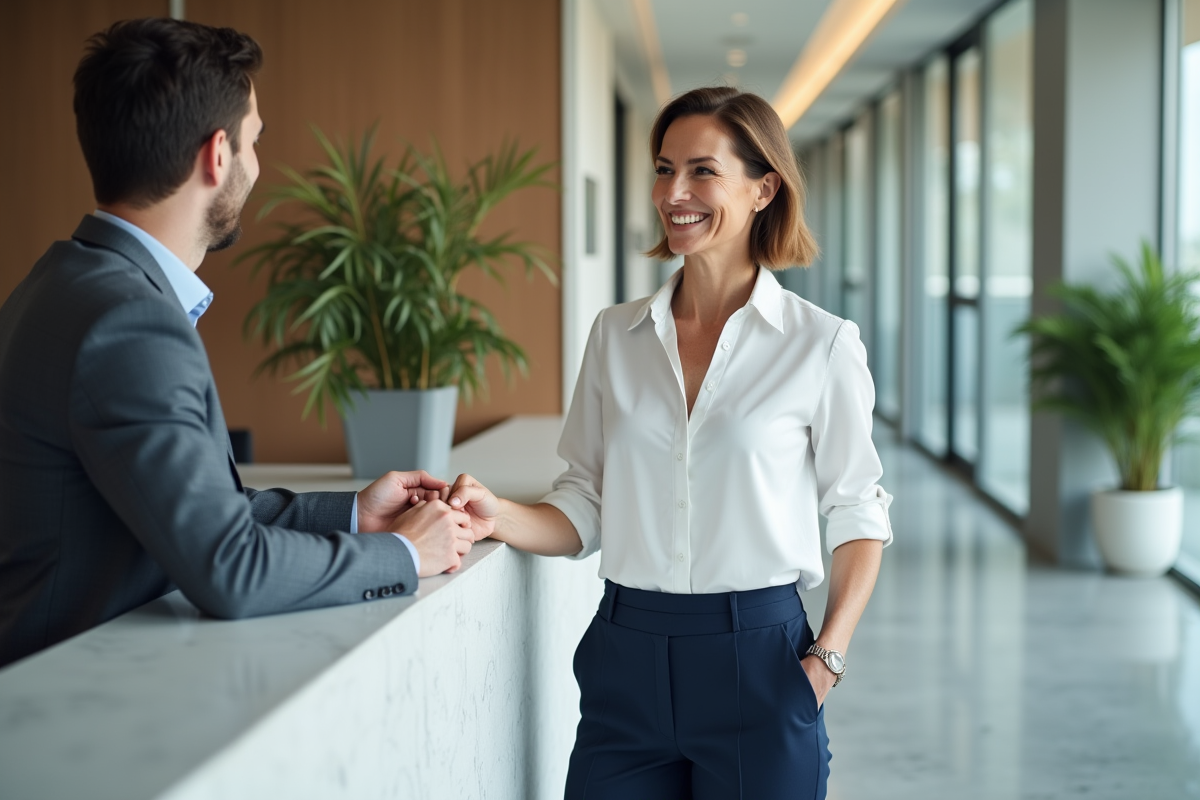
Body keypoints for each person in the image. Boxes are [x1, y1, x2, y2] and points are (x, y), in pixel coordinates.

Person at [447, 87, 893, 799]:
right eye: (663, 169)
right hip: (625, 657)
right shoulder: (615, 335)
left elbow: (857, 511)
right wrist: (494, 514)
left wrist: (826, 660)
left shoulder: (821, 344)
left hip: (760, 659)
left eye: (702, 171)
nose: (673, 192)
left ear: (764, 189)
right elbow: (585, 502)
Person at [0, 18, 474, 669]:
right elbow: (230, 567)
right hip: (72, 692)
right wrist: (405, 553)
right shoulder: (129, 321)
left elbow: (187, 507)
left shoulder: (61, 282)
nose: (257, 165)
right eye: (254, 140)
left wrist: (353, 513)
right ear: (217, 155)